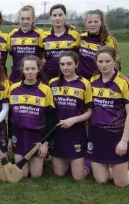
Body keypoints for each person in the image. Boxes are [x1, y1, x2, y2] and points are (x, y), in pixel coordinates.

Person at [87, 46, 129, 188]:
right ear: (96, 62)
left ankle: (123, 174)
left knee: (121, 183)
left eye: (108, 61)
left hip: (115, 135)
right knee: (101, 180)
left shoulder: (125, 82)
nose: (104, 65)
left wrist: (124, 140)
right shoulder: (92, 80)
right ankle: (115, 170)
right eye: (100, 61)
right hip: (96, 134)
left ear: (114, 61)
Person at [48, 51, 92, 180]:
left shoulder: (84, 83)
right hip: (57, 132)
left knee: (78, 177)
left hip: (76, 132)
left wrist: (74, 120)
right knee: (59, 173)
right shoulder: (52, 83)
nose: (65, 67)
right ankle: (69, 161)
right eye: (62, 64)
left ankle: (89, 163)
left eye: (69, 64)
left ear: (76, 64)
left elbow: (89, 111)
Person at [8, 55, 55, 178]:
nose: (30, 72)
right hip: (19, 134)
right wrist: (9, 138)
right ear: (22, 70)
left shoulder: (46, 90)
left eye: (33, 69)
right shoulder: (13, 89)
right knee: (22, 174)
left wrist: (45, 143)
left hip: (37, 136)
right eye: (27, 69)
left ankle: (41, 159)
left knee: (36, 175)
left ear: (38, 69)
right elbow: (9, 115)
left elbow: (51, 118)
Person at [42, 4, 80, 80]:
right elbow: (41, 56)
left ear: (65, 16)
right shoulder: (43, 36)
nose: (57, 18)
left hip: (69, 78)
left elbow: (78, 57)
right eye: (54, 15)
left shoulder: (75, 35)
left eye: (60, 15)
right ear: (50, 18)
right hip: (49, 78)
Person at [79, 9, 119, 80]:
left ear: (101, 23)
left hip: (100, 83)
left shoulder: (109, 40)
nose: (93, 24)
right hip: (82, 82)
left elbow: (116, 62)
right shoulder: (80, 37)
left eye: (96, 22)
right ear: (85, 23)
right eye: (89, 22)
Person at [9, 5, 45, 83]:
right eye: (22, 19)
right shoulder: (12, 34)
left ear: (33, 20)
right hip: (16, 76)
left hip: (34, 77)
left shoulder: (40, 34)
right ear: (19, 19)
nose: (25, 22)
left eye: (28, 19)